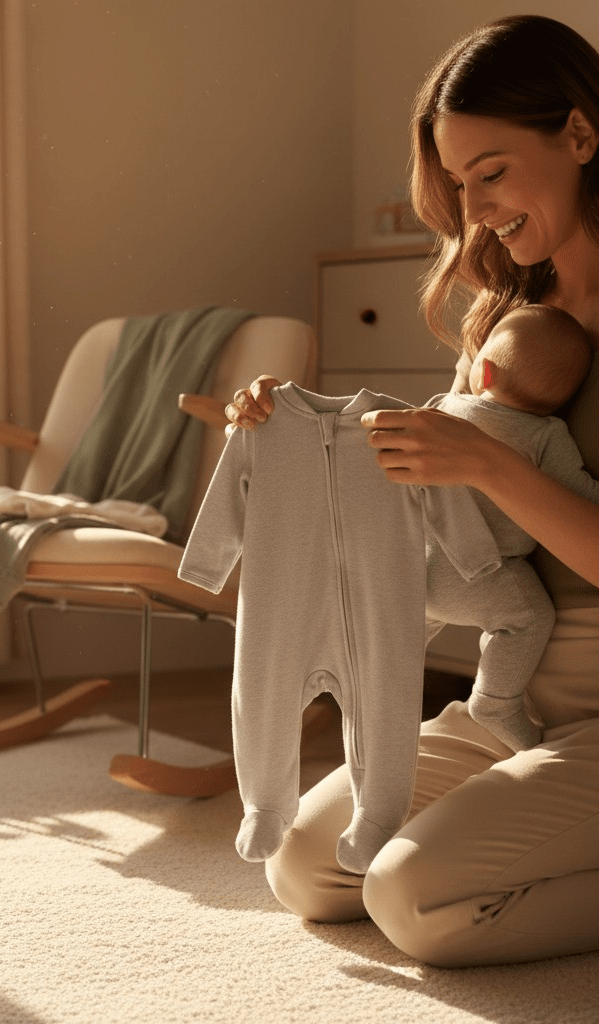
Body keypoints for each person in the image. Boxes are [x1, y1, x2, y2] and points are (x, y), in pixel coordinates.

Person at [226, 14, 599, 967]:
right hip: (513, 700)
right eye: (459, 183)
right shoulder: (509, 317)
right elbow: (435, 500)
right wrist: (296, 430)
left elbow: (487, 476)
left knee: (413, 896)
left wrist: (485, 461)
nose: (475, 212)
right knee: (308, 867)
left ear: (581, 135)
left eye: (493, 171)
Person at [425, 302, 597, 753]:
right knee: (527, 619)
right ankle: (496, 701)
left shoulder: (445, 409)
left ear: (482, 373)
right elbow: (577, 491)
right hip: (485, 573)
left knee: (398, 640)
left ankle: (371, 685)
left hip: (418, 564)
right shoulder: (546, 434)